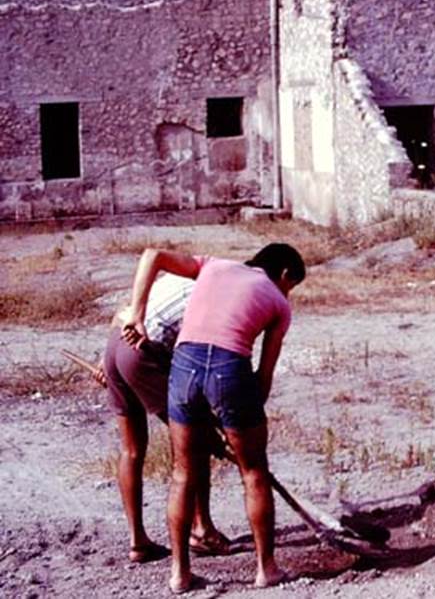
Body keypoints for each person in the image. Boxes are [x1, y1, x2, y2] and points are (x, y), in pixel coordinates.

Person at [122, 243, 305, 593]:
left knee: (182, 473)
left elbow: (152, 255)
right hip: (230, 368)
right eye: (291, 286)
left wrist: (137, 315)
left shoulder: (213, 265)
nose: (288, 293)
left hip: (184, 366)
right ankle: (266, 569)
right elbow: (263, 379)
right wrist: (243, 422)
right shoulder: (279, 304)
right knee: (254, 472)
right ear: (284, 274)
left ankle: (180, 574)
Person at [102, 273, 229, 563]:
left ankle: (138, 542)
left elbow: (123, 311)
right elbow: (197, 363)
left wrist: (106, 362)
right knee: (195, 441)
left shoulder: (174, 278)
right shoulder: (215, 299)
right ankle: (201, 530)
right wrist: (216, 424)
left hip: (115, 344)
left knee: (131, 449)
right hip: (140, 353)